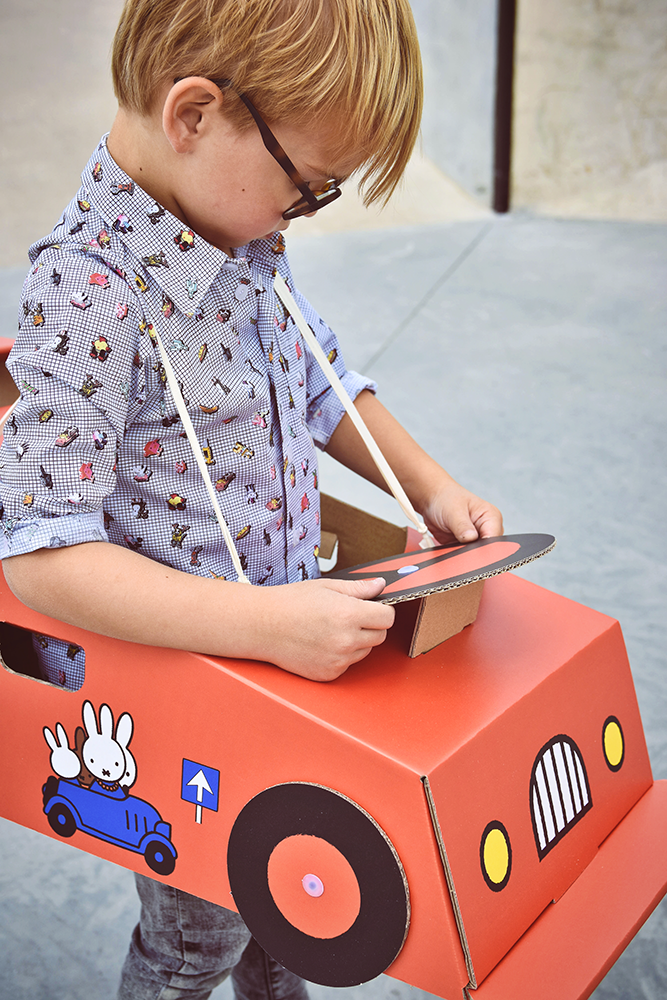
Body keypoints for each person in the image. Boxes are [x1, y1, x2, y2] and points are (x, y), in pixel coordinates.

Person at [0, 1, 503, 997]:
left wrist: (431, 484)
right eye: (306, 189)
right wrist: (263, 622)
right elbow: (40, 554)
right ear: (193, 115)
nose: (304, 215)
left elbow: (320, 380)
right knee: (203, 939)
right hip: (189, 689)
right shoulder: (87, 294)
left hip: (282, 648)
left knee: (292, 909)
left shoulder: (237, 237)